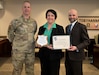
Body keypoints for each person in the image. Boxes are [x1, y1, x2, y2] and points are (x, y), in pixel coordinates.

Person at [8, 1, 37, 75]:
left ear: (30, 9)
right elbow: (10, 34)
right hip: (18, 51)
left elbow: (33, 32)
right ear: (22, 8)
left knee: (30, 70)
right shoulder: (15, 21)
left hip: (30, 51)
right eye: (25, 7)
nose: (26, 9)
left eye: (28, 7)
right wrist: (15, 44)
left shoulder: (34, 22)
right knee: (17, 70)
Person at [37, 9, 64, 75]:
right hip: (44, 54)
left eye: (52, 15)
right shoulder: (42, 28)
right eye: (48, 15)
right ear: (46, 17)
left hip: (55, 55)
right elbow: (37, 41)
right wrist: (39, 44)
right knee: (44, 72)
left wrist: (55, 46)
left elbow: (62, 42)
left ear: (55, 17)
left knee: (54, 72)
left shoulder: (60, 28)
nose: (50, 17)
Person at [65, 9, 90, 75]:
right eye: (70, 15)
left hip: (77, 56)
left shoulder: (82, 27)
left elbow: (87, 41)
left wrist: (76, 47)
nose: (71, 17)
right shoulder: (67, 27)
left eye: (73, 15)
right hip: (68, 56)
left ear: (77, 16)